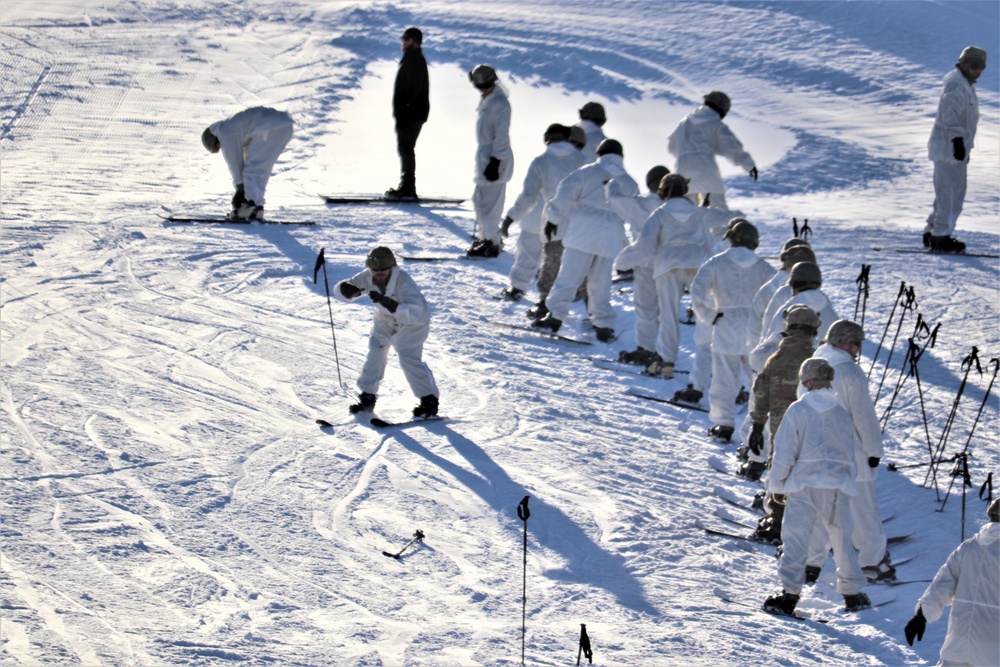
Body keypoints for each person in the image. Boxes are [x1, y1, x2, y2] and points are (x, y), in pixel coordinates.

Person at [763, 358, 870, 616]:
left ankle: (789, 594)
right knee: (842, 540)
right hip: (837, 486)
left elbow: (784, 452)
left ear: (807, 381)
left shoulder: (798, 410)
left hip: (804, 484)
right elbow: (850, 451)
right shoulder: (842, 412)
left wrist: (776, 485)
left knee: (796, 539)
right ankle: (853, 594)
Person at [803, 320, 890, 584]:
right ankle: (871, 562)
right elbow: (864, 416)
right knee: (864, 510)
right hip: (851, 451)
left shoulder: (812, 366)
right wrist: (873, 450)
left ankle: (810, 561)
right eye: (855, 343)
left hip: (820, 448)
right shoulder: (849, 372)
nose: (858, 349)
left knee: (823, 508)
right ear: (843, 342)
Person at [532, 139, 638, 342]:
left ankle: (555, 317)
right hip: (611, 236)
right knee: (600, 283)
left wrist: (552, 219)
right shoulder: (629, 182)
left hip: (583, 232)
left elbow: (565, 194)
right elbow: (634, 213)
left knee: (569, 278)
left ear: (599, 154)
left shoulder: (586, 172)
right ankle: (603, 326)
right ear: (620, 156)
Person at [613, 173, 715, 377]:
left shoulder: (660, 213)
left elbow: (645, 245)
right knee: (705, 314)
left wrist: (622, 263)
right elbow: (710, 245)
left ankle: (666, 361)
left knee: (668, 315)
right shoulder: (697, 214)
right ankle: (713, 362)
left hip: (667, 265)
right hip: (696, 263)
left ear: (663, 191)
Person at [689, 220, 775, 441]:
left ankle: (723, 424)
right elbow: (777, 295)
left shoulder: (716, 263)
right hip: (754, 327)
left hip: (725, 323)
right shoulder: (763, 267)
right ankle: (760, 425)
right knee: (756, 377)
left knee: (724, 378)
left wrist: (709, 314)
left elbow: (697, 289)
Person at [334, 247, 439, 418]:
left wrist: (392, 304)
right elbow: (345, 288)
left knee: (407, 357)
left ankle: (429, 400)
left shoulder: (404, 282)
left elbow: (414, 311)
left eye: (383, 269)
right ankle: (367, 396)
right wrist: (345, 289)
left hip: (413, 323)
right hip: (384, 321)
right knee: (376, 350)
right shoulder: (367, 276)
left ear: (391, 267)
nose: (379, 273)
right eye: (375, 269)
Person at [905, 498, 999, 667]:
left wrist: (922, 615)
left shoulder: (968, 547)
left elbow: (943, 584)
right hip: (994, 646)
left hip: (958, 642)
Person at [499, 124, 586, 302]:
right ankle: (556, 298)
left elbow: (528, 196)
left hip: (535, 217)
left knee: (527, 255)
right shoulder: (582, 161)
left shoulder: (540, 161)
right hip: (568, 222)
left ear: (546, 138)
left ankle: (517, 289)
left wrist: (511, 217)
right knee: (559, 262)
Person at [742, 305, 820, 483]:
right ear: (813, 331)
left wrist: (758, 425)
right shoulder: (817, 359)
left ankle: (774, 501)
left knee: (778, 462)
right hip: (809, 426)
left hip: (778, 423)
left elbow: (761, 392)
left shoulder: (775, 357)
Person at [923, 46, 986, 253]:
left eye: (981, 67)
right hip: (949, 150)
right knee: (951, 196)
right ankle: (941, 236)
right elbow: (950, 116)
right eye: (974, 66)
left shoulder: (965, 85)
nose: (978, 71)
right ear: (964, 64)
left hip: (956, 151)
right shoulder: (955, 86)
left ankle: (933, 230)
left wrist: (964, 147)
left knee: (947, 193)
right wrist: (957, 141)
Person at [608, 165, 672, 366]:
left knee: (646, 309)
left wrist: (611, 184)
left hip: (646, 263)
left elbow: (615, 199)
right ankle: (665, 355)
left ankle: (646, 349)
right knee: (667, 311)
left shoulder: (640, 204)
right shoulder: (680, 208)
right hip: (671, 266)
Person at [667, 91, 758, 209]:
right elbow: (731, 146)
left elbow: (672, 146)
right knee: (718, 210)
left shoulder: (685, 121)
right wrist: (748, 164)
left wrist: (686, 156)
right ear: (722, 108)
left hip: (683, 171)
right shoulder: (714, 122)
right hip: (706, 170)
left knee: (687, 212)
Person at [201, 106, 294, 219]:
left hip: (269, 127)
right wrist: (243, 188)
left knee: (253, 169)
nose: (220, 148)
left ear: (214, 139)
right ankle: (256, 207)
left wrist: (240, 187)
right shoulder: (235, 128)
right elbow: (246, 157)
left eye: (217, 147)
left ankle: (251, 207)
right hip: (282, 126)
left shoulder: (225, 132)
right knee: (259, 170)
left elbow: (235, 162)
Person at [467, 64, 513, 258]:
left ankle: (492, 242)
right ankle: (486, 237)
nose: (483, 90)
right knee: (479, 200)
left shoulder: (500, 104)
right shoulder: (488, 101)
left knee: (491, 205)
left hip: (496, 158)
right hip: (485, 156)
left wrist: (496, 160)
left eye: (486, 85)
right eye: (479, 86)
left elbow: (501, 135)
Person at [385, 27, 429, 199]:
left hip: (412, 113)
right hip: (411, 113)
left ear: (414, 41)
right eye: (403, 39)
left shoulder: (415, 60)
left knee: (406, 148)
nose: (402, 42)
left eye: (406, 39)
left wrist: (404, 109)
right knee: (405, 148)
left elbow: (412, 88)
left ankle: (408, 187)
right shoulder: (412, 58)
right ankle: (407, 185)